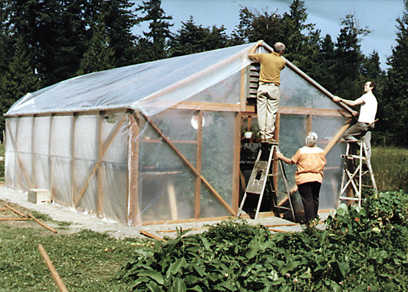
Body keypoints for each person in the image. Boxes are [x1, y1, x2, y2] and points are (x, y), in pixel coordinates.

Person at [276, 132, 326, 224]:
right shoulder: (320, 151)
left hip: (304, 179)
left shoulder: (301, 151)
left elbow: (292, 161)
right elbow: (323, 163)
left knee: (307, 200)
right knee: (315, 198)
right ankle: (315, 218)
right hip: (317, 178)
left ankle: (310, 221)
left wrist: (281, 156)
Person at [248, 41, 286, 143]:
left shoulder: (264, 57)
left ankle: (263, 135)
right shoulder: (282, 61)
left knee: (261, 112)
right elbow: (280, 65)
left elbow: (250, 55)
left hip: (262, 87)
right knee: (271, 113)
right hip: (273, 88)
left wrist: (257, 45)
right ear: (282, 51)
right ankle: (268, 136)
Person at [332, 81, 378, 154]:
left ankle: (360, 147)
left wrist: (340, 99)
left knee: (346, 135)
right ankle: (366, 164)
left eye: (366, 85)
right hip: (370, 125)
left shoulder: (366, 96)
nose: (364, 87)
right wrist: (358, 114)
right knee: (367, 146)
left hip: (362, 124)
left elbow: (353, 103)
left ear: (371, 87)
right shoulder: (374, 99)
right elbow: (369, 112)